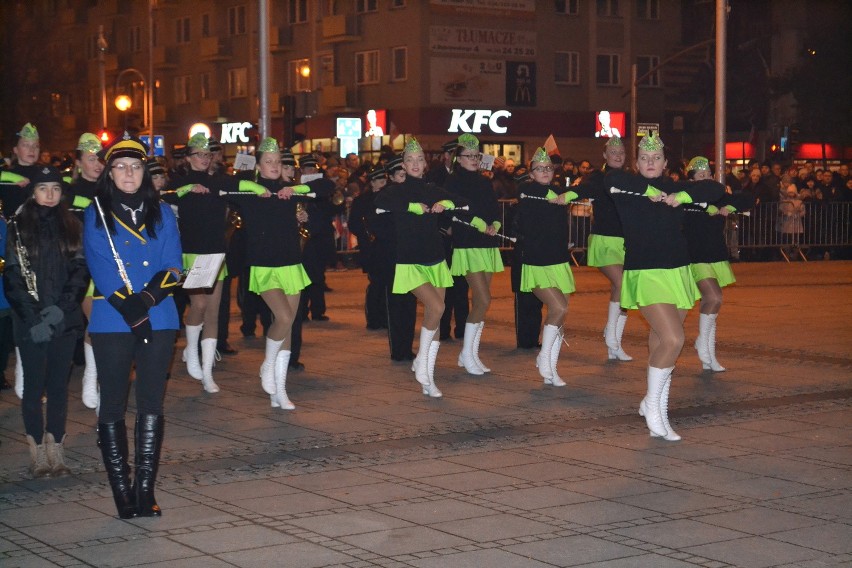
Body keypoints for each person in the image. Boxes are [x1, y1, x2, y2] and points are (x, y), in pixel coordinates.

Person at [85, 133, 183, 518]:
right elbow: (100, 266)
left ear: (145, 171)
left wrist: (146, 302)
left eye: (136, 166)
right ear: (110, 173)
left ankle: (145, 489)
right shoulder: (97, 212)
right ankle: (121, 490)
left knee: (151, 403)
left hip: (158, 315)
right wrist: (131, 308)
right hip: (113, 317)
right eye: (121, 167)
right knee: (112, 403)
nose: (129, 173)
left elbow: (172, 264)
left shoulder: (164, 213)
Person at [606, 133, 725, 441]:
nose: (650, 162)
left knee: (661, 337)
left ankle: (653, 401)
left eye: (656, 158)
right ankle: (656, 412)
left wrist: (682, 197)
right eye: (644, 158)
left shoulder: (675, 187)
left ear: (665, 163)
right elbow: (613, 179)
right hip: (645, 274)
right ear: (636, 162)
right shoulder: (625, 188)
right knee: (674, 339)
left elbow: (716, 188)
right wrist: (651, 190)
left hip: (679, 273)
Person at [226, 138, 333, 409]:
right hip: (264, 268)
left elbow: (326, 186)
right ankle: (268, 365)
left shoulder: (289, 190)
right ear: (259, 166)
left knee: (287, 326)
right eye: (268, 162)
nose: (274, 166)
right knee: (283, 317)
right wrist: (249, 184)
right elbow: (222, 187)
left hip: (291, 266)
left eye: (278, 162)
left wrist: (296, 187)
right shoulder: (250, 194)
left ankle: (280, 391)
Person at [5, 165, 88, 478]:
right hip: (31, 325)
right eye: (43, 188)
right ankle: (37, 452)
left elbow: (80, 271)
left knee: (57, 387)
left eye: (55, 188)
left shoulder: (73, 225)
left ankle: (56, 450)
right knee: (33, 387)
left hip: (63, 320)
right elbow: (13, 276)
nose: (50, 195)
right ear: (33, 192)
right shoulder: (17, 227)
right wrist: (33, 317)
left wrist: (58, 311)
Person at [164, 133, 261, 393]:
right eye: (198, 155)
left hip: (217, 254)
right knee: (199, 304)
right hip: (192, 254)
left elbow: (244, 185)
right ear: (188, 158)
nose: (204, 159)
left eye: (207, 155)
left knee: (214, 313)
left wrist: (253, 174)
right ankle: (190, 350)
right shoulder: (180, 183)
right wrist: (186, 189)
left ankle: (207, 372)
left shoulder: (219, 182)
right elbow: (163, 195)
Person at [374, 138, 465, 398]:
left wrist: (445, 204)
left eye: (419, 160)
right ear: (403, 165)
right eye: (410, 161)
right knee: (437, 307)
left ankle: (426, 373)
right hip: (409, 262)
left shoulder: (431, 188)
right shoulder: (395, 191)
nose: (415, 164)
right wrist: (412, 207)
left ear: (425, 164)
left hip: (435, 259)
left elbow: (461, 202)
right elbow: (379, 205)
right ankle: (423, 366)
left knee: (434, 320)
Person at [515, 148, 580, 387]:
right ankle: (543, 358)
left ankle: (550, 367)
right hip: (536, 262)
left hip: (558, 261)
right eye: (539, 169)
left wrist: (568, 195)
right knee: (559, 307)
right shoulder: (528, 190)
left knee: (560, 314)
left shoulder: (559, 192)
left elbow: (586, 189)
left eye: (548, 168)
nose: (544, 172)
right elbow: (526, 191)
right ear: (531, 173)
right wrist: (559, 195)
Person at [684, 156, 754, 372]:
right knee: (714, 297)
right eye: (700, 175)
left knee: (711, 303)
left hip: (715, 255)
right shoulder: (685, 199)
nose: (706, 179)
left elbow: (750, 199)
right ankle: (702, 344)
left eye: (708, 175)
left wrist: (729, 205)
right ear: (692, 179)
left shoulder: (718, 196)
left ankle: (708, 354)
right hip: (694, 256)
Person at [443, 134, 504, 375]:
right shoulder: (453, 182)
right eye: (468, 156)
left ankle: (469, 352)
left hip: (486, 244)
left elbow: (493, 207)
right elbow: (453, 211)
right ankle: (467, 353)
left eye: (476, 155)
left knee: (481, 301)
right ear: (458, 158)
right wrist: (477, 222)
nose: (473, 159)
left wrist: (496, 225)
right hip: (467, 244)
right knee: (484, 298)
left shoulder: (484, 181)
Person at [575, 137, 632, 361]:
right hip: (604, 240)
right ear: (605, 155)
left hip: (626, 242)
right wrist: (563, 194)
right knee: (622, 284)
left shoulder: (630, 179)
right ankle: (611, 333)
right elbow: (582, 190)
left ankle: (614, 344)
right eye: (613, 152)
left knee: (625, 290)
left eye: (621, 152)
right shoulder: (598, 177)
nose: (618, 155)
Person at [68, 133, 105, 409]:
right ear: (79, 162)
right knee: (96, 321)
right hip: (81, 266)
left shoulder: (110, 188)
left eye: (100, 159)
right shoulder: (69, 191)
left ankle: (99, 376)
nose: (97, 164)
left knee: (107, 324)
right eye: (91, 159)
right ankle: (92, 376)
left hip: (107, 263)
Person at [349, 165, 390, 330]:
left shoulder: (388, 197)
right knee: (376, 283)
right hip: (371, 247)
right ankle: (374, 319)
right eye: (380, 180)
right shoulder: (362, 200)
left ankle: (386, 317)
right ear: (372, 182)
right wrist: (366, 235)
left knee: (387, 283)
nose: (383, 182)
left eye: (384, 179)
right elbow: (354, 224)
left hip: (386, 245)